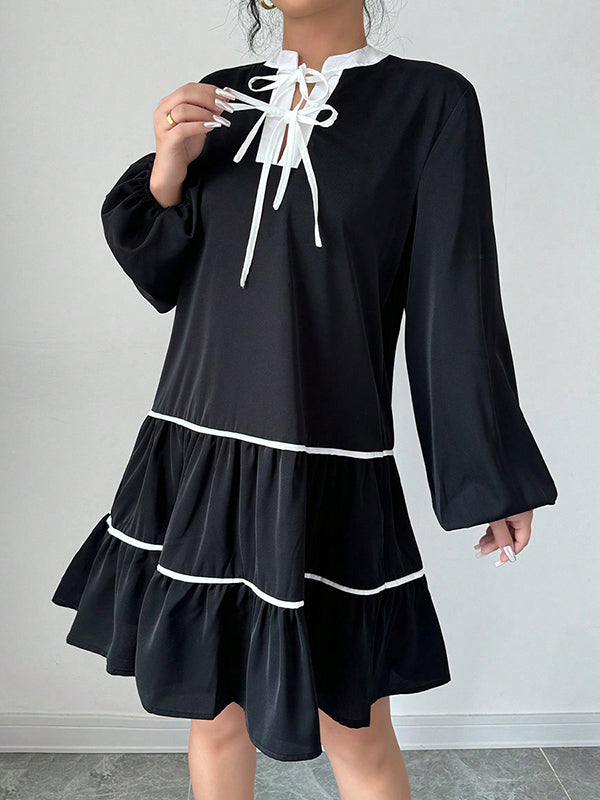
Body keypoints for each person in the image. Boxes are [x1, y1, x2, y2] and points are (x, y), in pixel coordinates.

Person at [51, 1, 558, 798]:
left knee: (355, 729)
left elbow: (454, 296)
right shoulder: (221, 97)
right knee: (215, 717)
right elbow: (161, 269)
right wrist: (169, 167)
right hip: (197, 454)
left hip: (326, 462)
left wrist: (489, 472)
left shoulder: (430, 103)